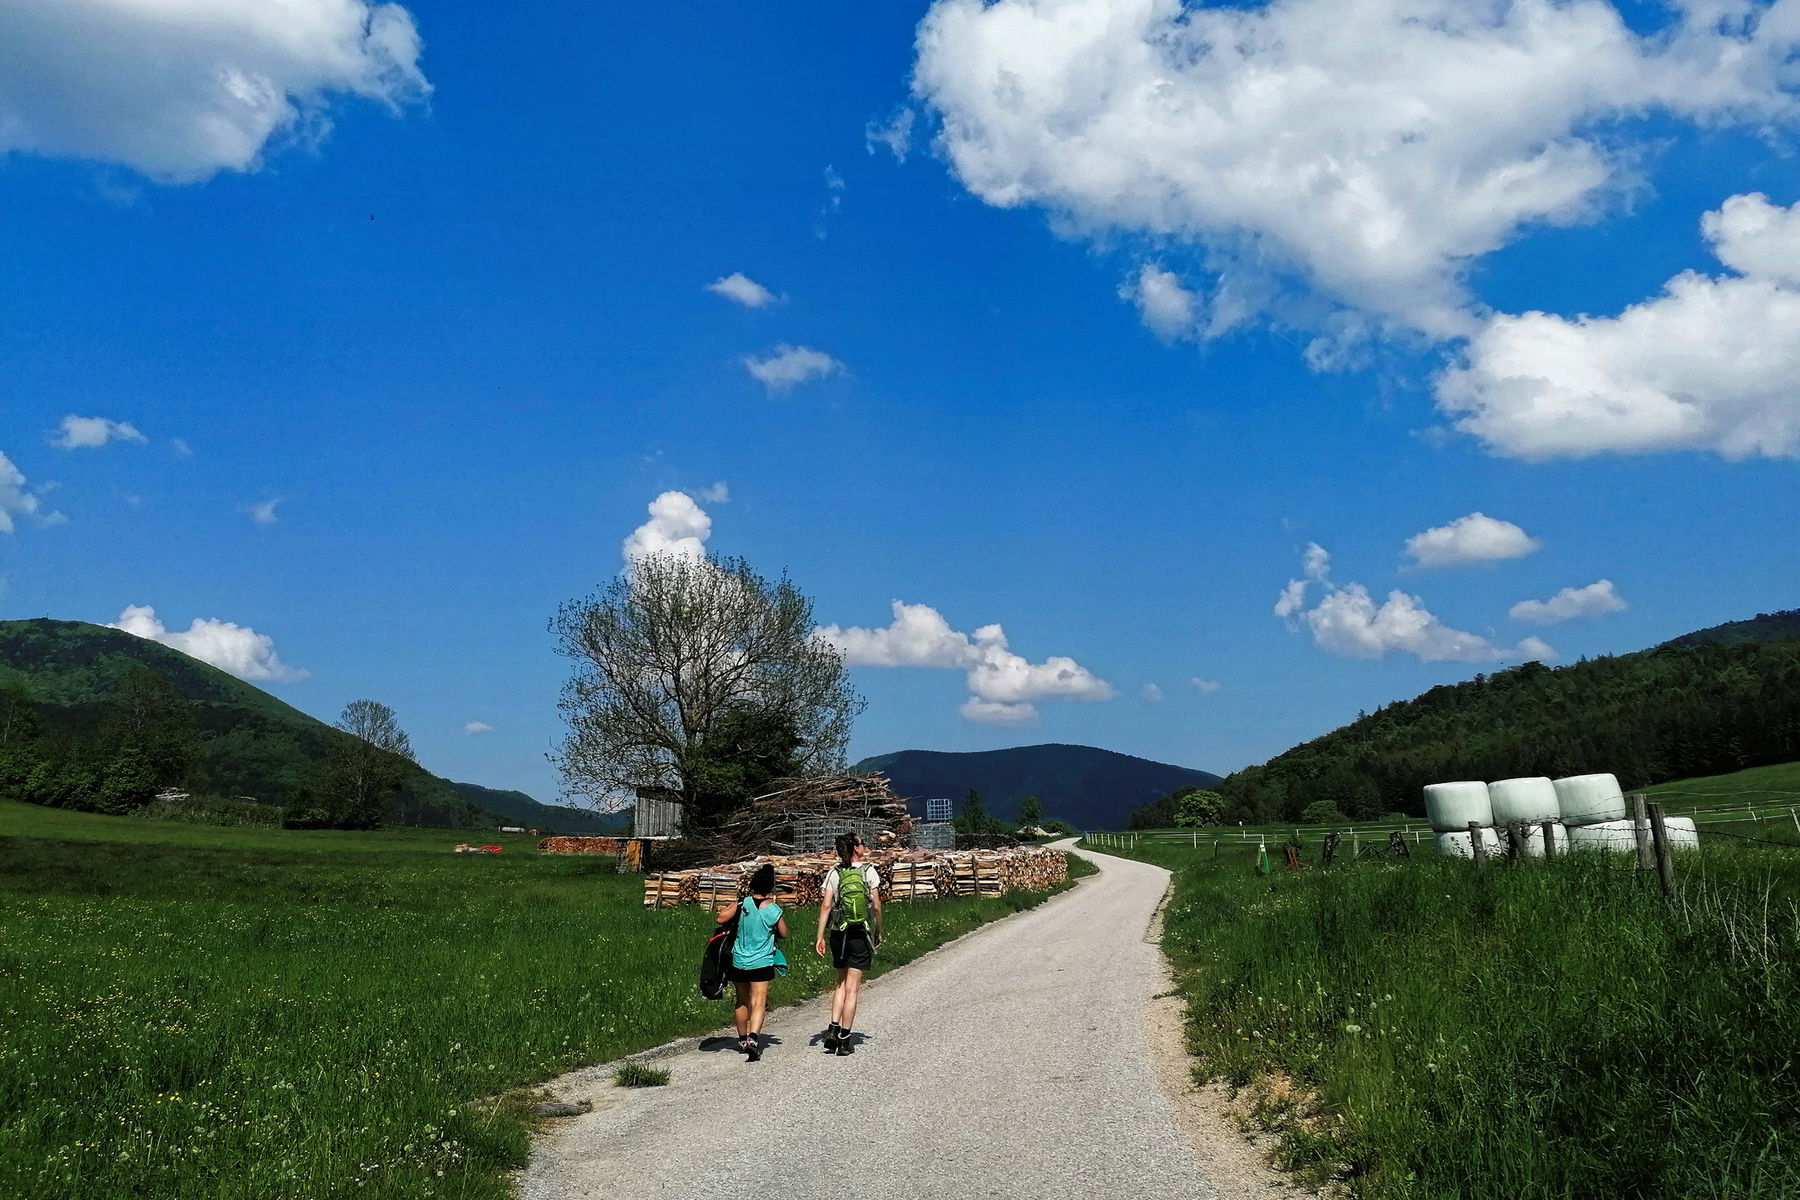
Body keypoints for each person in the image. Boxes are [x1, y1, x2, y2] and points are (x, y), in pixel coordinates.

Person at [814, 832, 882, 1055]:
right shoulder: (868, 871)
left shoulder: (834, 873)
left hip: (839, 934)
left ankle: (833, 1029)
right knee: (853, 989)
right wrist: (878, 932)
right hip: (860, 934)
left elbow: (826, 906)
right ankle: (844, 1040)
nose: (865, 845)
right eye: (862, 843)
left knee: (840, 984)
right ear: (855, 848)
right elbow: (877, 906)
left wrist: (820, 936)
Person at [718, 862, 786, 1062]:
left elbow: (720, 919)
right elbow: (784, 933)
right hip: (762, 962)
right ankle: (753, 1039)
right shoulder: (773, 909)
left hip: (739, 960)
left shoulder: (743, 903)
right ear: (770, 888)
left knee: (741, 1000)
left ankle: (741, 1040)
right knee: (759, 1002)